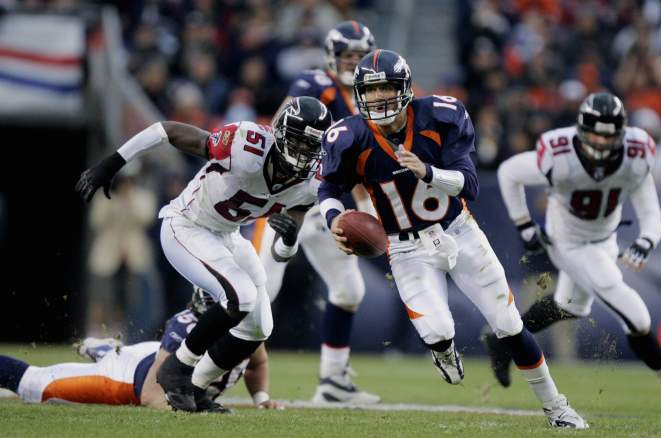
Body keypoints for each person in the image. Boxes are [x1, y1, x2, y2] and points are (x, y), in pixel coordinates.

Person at [317, 49, 588, 429]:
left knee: (508, 323)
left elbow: (470, 184)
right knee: (439, 330)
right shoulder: (350, 137)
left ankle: (557, 407)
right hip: (406, 248)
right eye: (371, 90)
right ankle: (443, 351)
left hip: (458, 231)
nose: (378, 97)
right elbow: (328, 186)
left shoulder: (440, 116)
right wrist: (333, 219)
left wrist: (428, 171)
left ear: (405, 88)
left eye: (386, 88)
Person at [76, 96, 332, 412]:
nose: (305, 152)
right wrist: (114, 162)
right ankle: (176, 369)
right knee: (241, 296)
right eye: (299, 140)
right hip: (187, 225)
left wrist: (290, 240)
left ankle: (196, 387)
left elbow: (282, 253)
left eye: (313, 145)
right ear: (281, 133)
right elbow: (166, 130)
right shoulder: (245, 145)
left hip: (227, 235)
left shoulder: (310, 182)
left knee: (258, 327)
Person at [489, 92, 661, 413]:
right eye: (595, 132)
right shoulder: (560, 153)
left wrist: (646, 241)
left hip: (604, 239)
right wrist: (524, 225)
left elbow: (652, 214)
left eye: (609, 135)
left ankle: (503, 341)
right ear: (581, 130)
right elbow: (509, 172)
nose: (601, 141)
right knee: (634, 313)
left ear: (621, 134)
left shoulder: (635, 157)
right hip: (566, 238)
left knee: (570, 306)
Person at [253, 21, 379, 404]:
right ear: (332, 56)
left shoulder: (371, 95)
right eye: (347, 56)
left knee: (350, 288)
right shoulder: (313, 85)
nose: (353, 62)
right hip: (291, 196)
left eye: (360, 56)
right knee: (260, 289)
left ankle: (333, 382)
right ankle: (211, 365)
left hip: (327, 200)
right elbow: (281, 127)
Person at [0, 288, 282, 411]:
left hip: (152, 355)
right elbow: (151, 396)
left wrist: (261, 397)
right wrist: (197, 410)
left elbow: (257, 363)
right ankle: (109, 355)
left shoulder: (247, 328)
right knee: (34, 385)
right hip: (127, 378)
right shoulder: (186, 327)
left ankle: (107, 348)